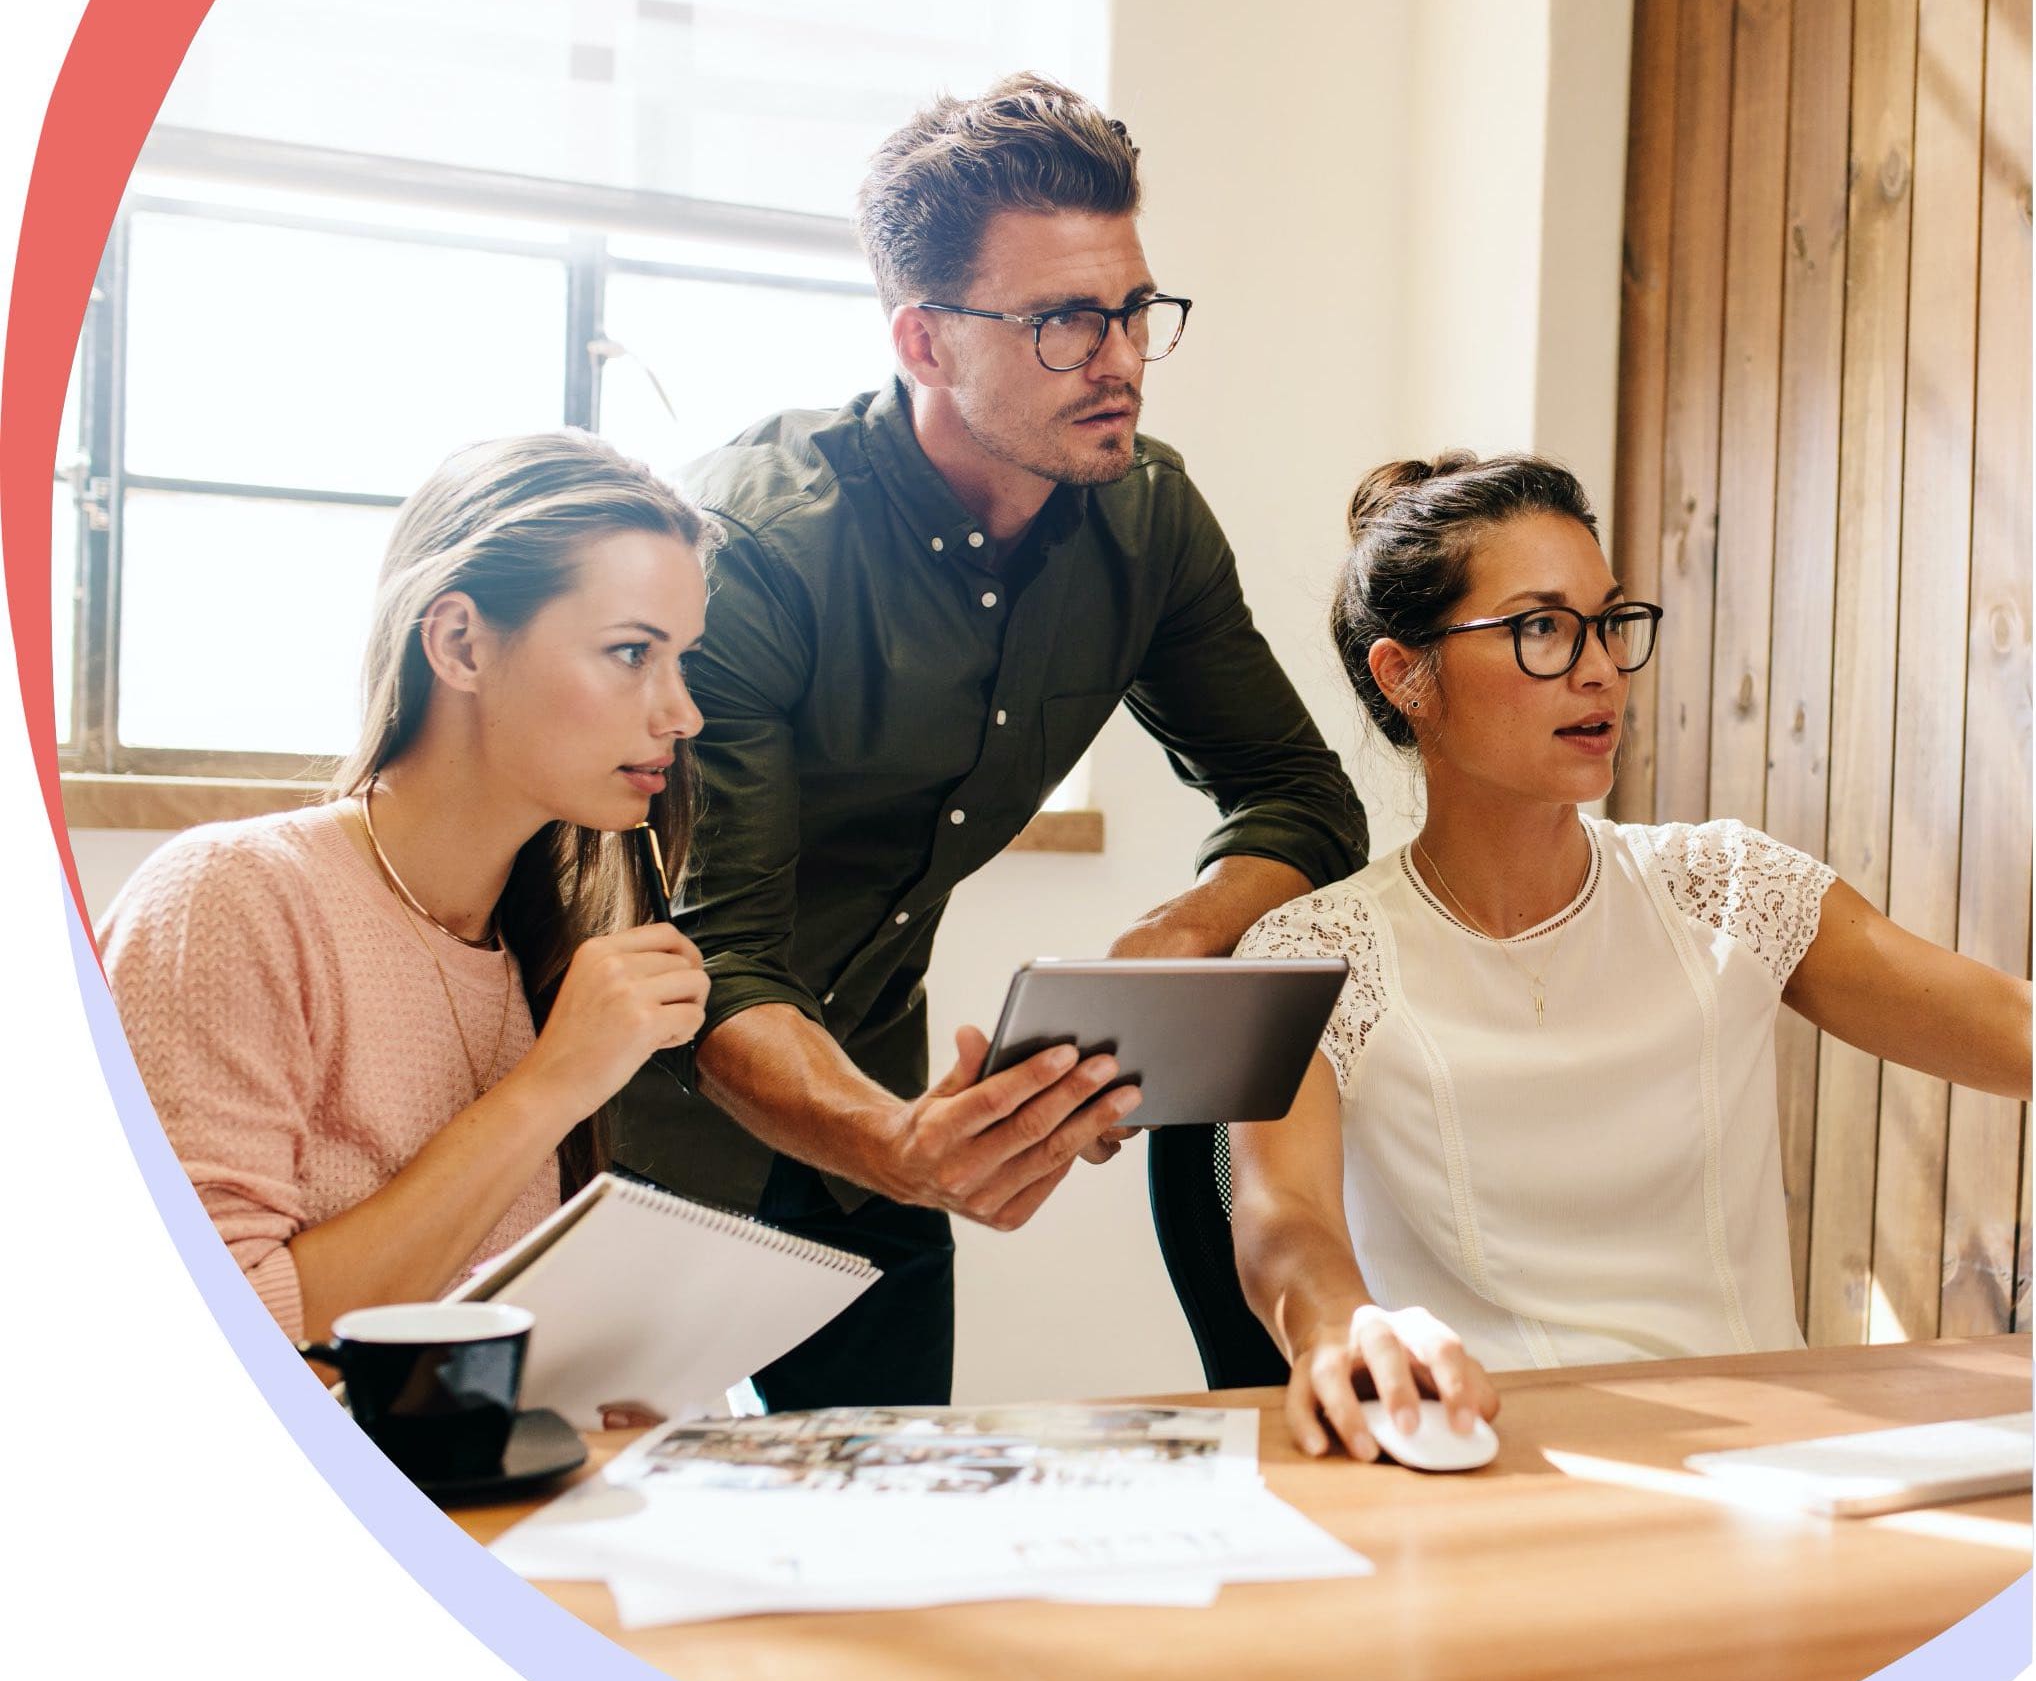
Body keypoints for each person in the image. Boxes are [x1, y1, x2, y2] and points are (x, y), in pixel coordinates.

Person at [615, 73, 1369, 1410]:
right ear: (922, 341)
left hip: (877, 1092)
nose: (1122, 359)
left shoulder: (1149, 523)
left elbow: (1303, 798)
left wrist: (1183, 931)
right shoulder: (758, 548)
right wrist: (897, 1145)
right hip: (629, 1108)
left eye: (1136, 309)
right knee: (607, 1542)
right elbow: (721, 954)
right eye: (1068, 322)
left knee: (889, 1520)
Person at [1230, 452, 2032, 1460]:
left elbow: (2012, 1028)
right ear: (1405, 676)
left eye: (1607, 620)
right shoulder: (1312, 952)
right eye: (1539, 628)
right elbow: (1279, 1216)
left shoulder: (1733, 889)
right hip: (1491, 1462)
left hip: (1783, 1462)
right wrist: (1342, 1326)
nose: (1598, 665)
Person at [100, 432, 713, 1344]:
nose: (682, 713)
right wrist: (551, 1088)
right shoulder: (230, 899)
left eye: (683, 660)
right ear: (460, 643)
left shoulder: (532, 948)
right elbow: (219, 1336)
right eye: (631, 653)